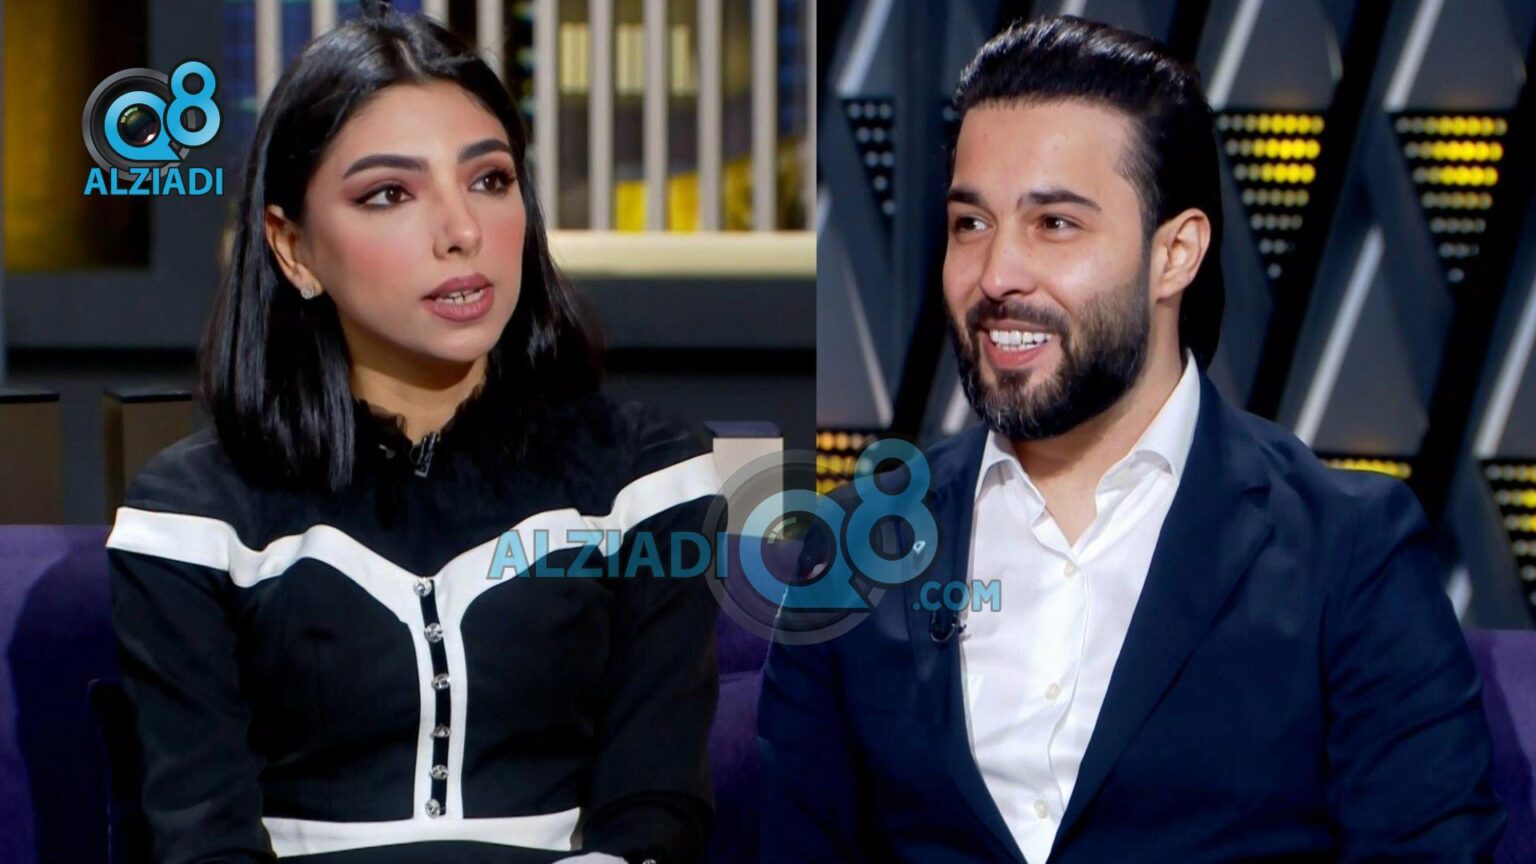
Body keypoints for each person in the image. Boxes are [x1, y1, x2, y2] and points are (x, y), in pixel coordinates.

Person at [759, 15, 1505, 863]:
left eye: (1055, 224)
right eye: (971, 224)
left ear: (1174, 254)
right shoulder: (858, 546)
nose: (996, 274)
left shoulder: (1350, 551)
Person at [106, 5, 721, 863]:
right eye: (389, 194)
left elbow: (655, 809)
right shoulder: (192, 517)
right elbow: (200, 836)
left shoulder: (645, 477)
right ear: (293, 248)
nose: (462, 232)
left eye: (490, 180)